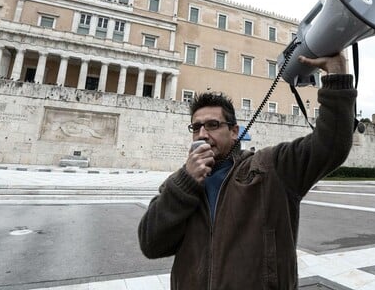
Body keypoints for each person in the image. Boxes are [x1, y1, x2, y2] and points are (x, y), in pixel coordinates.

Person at [137, 53, 356, 289]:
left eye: (212, 125)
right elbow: (151, 244)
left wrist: (336, 74)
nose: (202, 134)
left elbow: (330, 145)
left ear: (234, 132)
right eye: (196, 127)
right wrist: (186, 183)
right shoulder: (179, 185)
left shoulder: (269, 168)